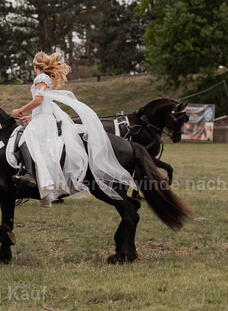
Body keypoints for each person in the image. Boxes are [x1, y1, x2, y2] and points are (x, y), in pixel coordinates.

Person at [10, 51, 136, 207]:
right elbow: (46, 104)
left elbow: (39, 100)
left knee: (24, 139)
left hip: (43, 121)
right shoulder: (47, 79)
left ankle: (30, 174)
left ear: (36, 65)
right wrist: (31, 117)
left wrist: (20, 110)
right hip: (43, 118)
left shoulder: (40, 78)